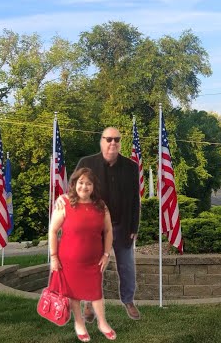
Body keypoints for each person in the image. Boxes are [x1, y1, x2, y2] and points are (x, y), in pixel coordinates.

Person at [74, 127, 141, 321]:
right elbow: (76, 191)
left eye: (117, 139)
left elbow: (135, 199)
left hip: (122, 226)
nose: (113, 143)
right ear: (101, 141)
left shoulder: (131, 167)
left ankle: (128, 300)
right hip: (94, 227)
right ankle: (88, 302)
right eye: (109, 139)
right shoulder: (86, 163)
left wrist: (134, 226)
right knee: (92, 266)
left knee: (127, 266)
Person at [49, 167, 116, 342]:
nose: (84, 187)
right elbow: (53, 231)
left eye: (88, 183)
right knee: (74, 294)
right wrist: (54, 256)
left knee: (96, 293)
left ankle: (102, 323)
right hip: (68, 261)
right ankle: (79, 323)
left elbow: (108, 231)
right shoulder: (64, 203)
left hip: (94, 261)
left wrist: (107, 254)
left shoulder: (101, 206)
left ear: (93, 186)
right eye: (81, 182)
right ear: (74, 184)